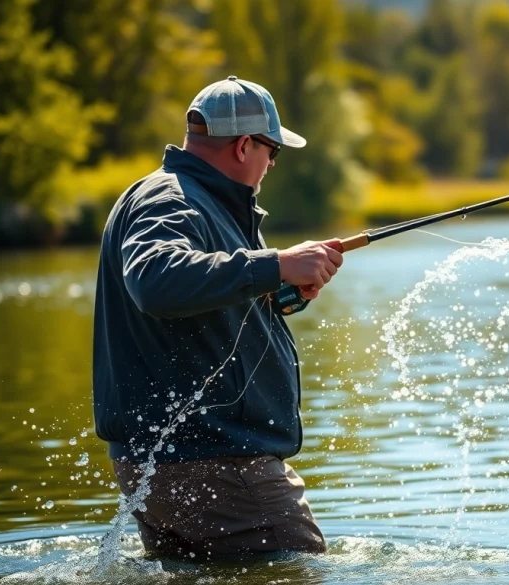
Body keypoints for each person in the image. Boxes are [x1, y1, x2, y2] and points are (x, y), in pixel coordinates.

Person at [92, 76, 342, 559]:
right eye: (273, 151)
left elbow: (197, 304)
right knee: (301, 570)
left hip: (169, 463)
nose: (272, 163)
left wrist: (282, 289)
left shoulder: (200, 201)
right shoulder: (172, 200)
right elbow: (156, 280)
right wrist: (274, 264)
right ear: (245, 145)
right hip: (216, 461)